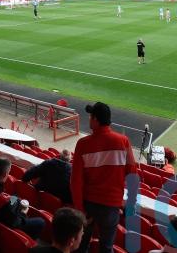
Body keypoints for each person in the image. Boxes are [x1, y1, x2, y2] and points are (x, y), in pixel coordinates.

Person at [71, 102, 137, 253]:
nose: (89, 120)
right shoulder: (123, 141)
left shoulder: (82, 144)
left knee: (80, 245)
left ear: (95, 119)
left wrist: (80, 209)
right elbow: (132, 175)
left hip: (88, 205)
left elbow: (75, 181)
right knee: (106, 248)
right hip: (111, 207)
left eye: (90, 117)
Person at [0, 157, 45, 240]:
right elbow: (15, 222)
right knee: (40, 221)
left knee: (15, 196)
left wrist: (15, 197)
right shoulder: (4, 201)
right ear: (5, 174)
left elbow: (8, 199)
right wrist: (23, 213)